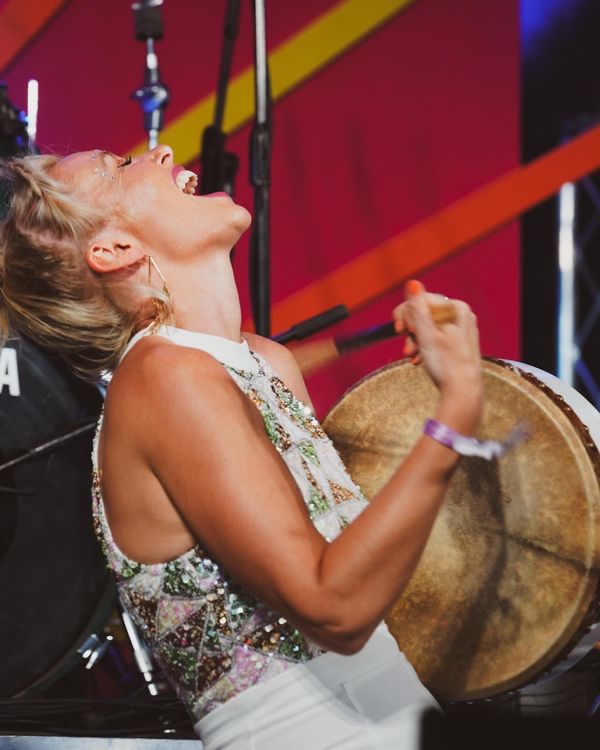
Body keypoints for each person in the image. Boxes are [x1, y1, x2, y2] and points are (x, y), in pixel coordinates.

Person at [0, 145, 482, 749]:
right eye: (119, 166)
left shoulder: (265, 362)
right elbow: (333, 606)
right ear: (115, 249)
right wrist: (455, 412)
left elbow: (364, 572)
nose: (161, 150)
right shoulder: (164, 377)